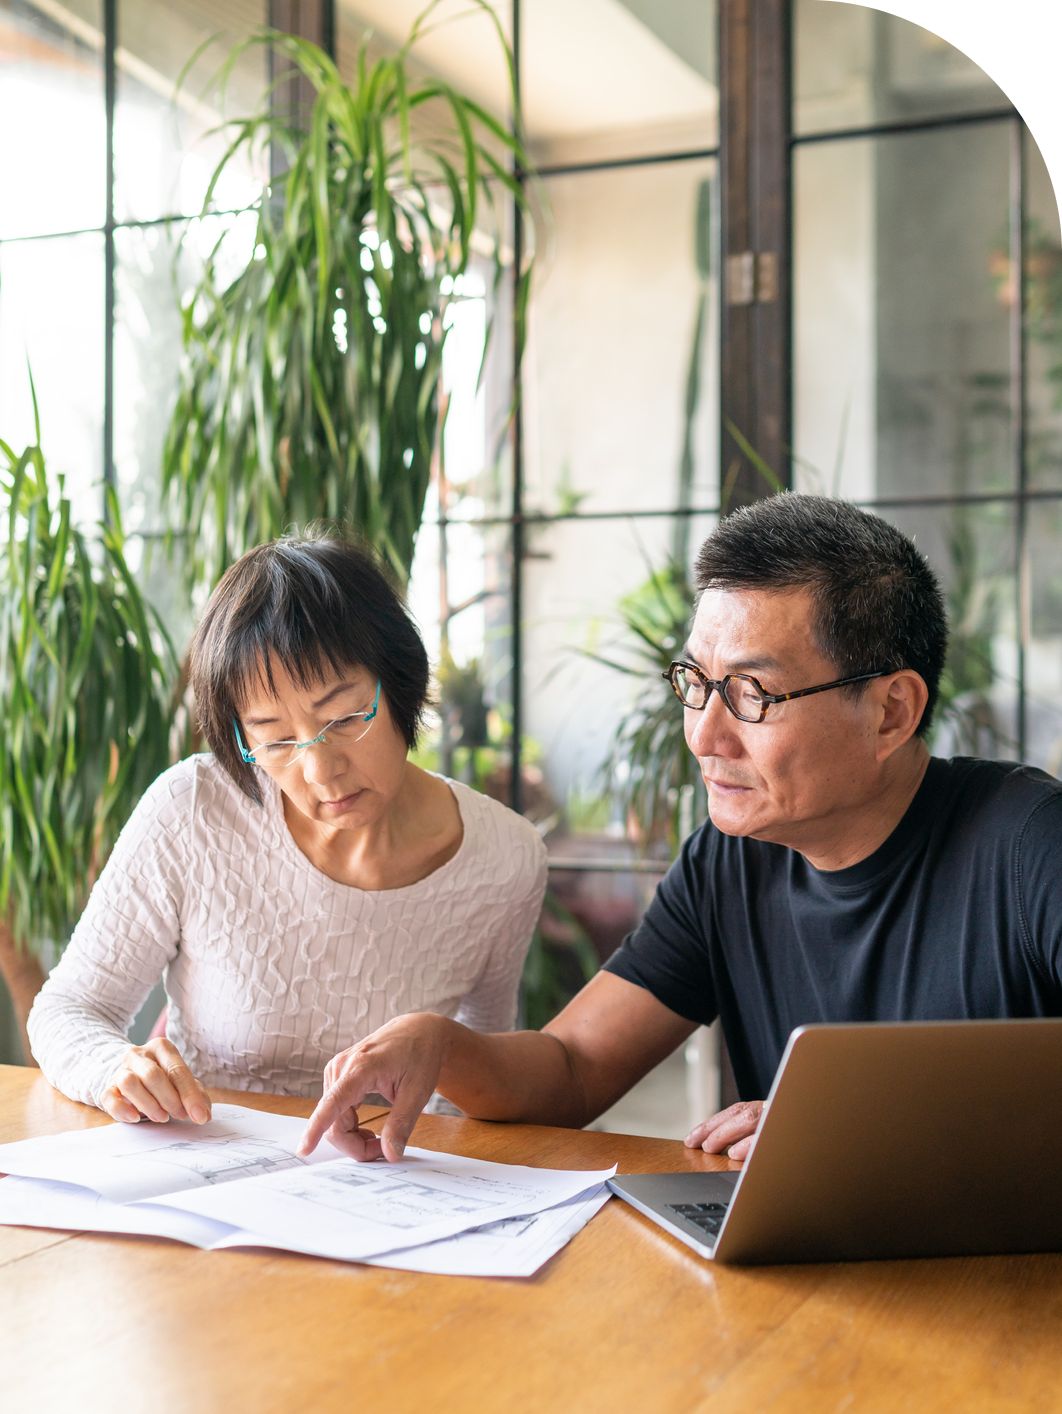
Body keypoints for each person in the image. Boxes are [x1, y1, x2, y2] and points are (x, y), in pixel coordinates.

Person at [296, 494, 1062, 1166]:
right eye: (697, 684)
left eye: (753, 694)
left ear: (892, 710)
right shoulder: (730, 863)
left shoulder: (1030, 845)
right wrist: (443, 1044)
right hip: (817, 1288)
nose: (703, 735)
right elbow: (572, 1067)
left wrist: (872, 1134)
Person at [28, 534, 546, 1124]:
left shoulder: (506, 856)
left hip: (388, 1186)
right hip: (207, 1170)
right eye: (275, 740)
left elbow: (478, 1085)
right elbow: (69, 1008)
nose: (320, 769)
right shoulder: (193, 809)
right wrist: (113, 1068)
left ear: (400, 680)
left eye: (345, 717)